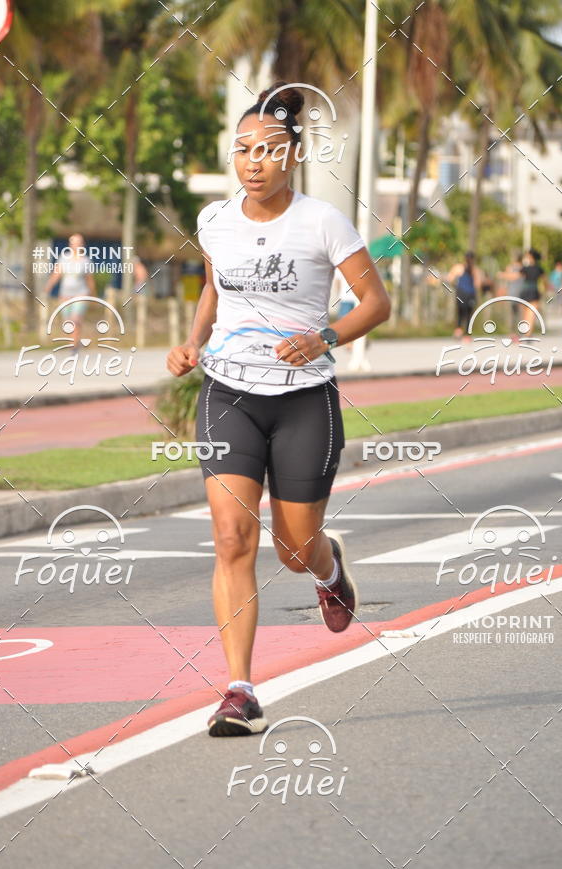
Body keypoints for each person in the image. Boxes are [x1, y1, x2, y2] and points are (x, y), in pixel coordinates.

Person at [166, 82, 390, 738]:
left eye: (267, 150)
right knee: (232, 536)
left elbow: (377, 303)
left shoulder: (323, 221)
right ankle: (239, 690)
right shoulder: (214, 220)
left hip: (303, 400)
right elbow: (215, 289)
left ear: (292, 156)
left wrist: (325, 337)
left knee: (294, 549)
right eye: (242, 149)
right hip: (228, 394)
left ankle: (328, 568)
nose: (253, 161)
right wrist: (193, 341)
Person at [45, 233, 95, 352]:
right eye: (74, 243)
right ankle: (74, 341)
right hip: (65, 294)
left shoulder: (86, 261)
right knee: (67, 322)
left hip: (81, 293)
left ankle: (74, 345)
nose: (76, 245)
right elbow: (56, 274)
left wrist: (93, 295)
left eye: (78, 243)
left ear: (82, 245)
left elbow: (89, 279)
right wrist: (48, 287)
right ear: (70, 245)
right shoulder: (64, 258)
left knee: (75, 319)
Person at [447, 251, 483, 338]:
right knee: (469, 314)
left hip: (461, 293)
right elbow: (478, 284)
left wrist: (455, 284)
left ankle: (458, 330)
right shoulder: (475, 270)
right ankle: (466, 334)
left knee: (460, 312)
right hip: (470, 294)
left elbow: (449, 279)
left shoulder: (458, 268)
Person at [519, 248, 545, 336]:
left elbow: (516, 276)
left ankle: (526, 332)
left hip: (525, 291)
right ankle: (528, 333)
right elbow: (545, 281)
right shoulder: (539, 269)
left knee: (526, 313)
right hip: (533, 291)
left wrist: (503, 275)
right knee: (531, 313)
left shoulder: (525, 268)